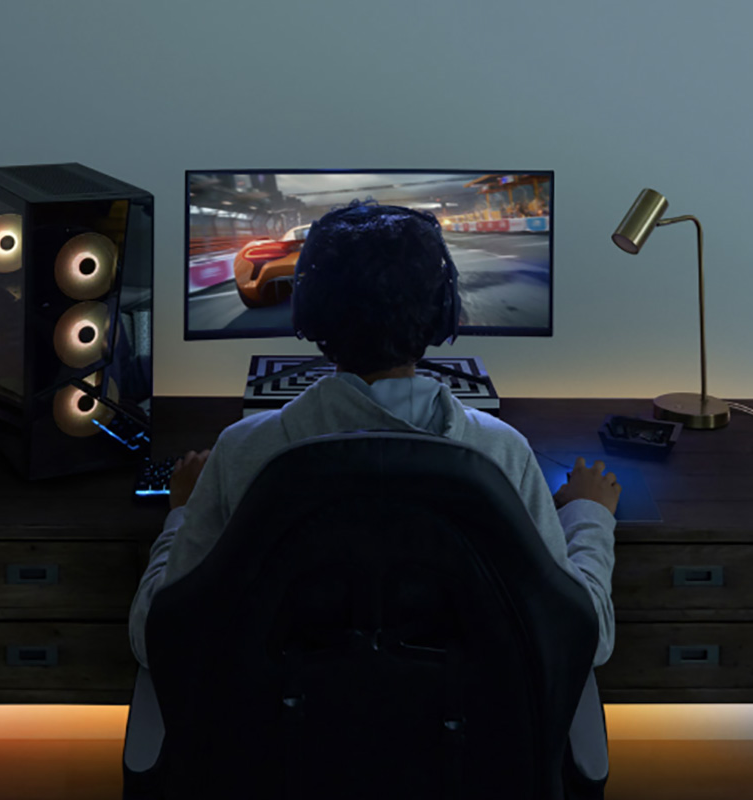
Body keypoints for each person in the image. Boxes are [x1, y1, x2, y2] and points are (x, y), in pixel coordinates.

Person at [129, 201, 619, 674]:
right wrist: (588, 514)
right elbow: (586, 639)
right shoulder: (500, 452)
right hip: (459, 746)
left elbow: (155, 641)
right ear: (445, 310)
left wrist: (181, 514)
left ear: (307, 313)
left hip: (283, 747)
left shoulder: (243, 450)